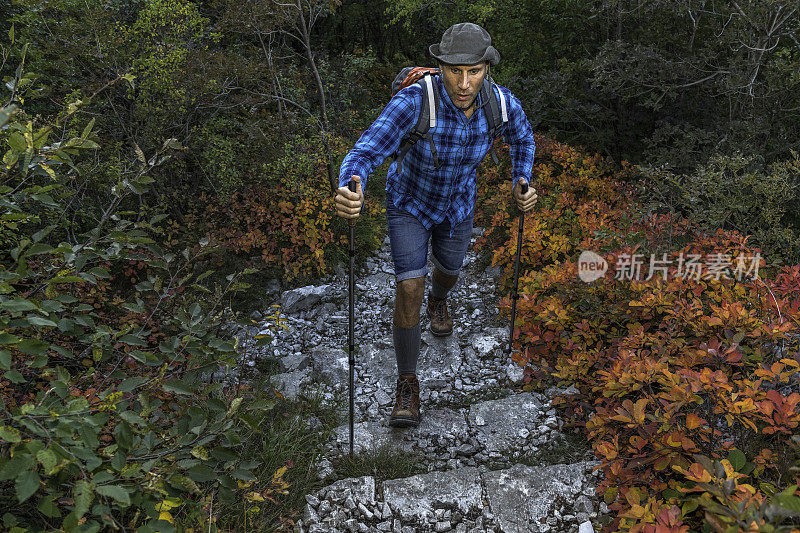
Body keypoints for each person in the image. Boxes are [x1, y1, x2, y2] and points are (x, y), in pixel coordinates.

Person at [334, 22, 538, 428]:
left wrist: (522, 179)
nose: (464, 83)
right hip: (408, 202)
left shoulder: (500, 103)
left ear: (487, 68)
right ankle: (407, 382)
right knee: (409, 284)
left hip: (459, 205)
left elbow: (524, 139)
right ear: (439, 65)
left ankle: (439, 300)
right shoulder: (413, 102)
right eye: (454, 71)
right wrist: (350, 186)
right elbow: (364, 152)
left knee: (449, 270)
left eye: (474, 71)